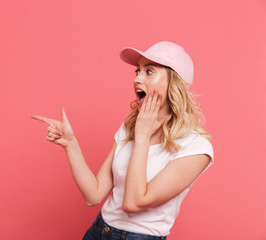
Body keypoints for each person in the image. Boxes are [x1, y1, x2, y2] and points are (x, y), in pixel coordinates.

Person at [31, 41, 214, 240]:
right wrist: (71, 144)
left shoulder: (196, 148)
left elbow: (133, 203)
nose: (137, 79)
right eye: (137, 72)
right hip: (99, 231)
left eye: (149, 71)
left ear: (174, 82)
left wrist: (142, 138)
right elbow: (93, 195)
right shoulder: (130, 127)